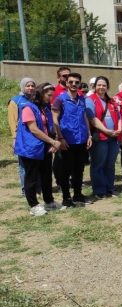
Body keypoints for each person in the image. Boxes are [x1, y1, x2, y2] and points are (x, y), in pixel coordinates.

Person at [15, 83, 65, 215]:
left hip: (45, 147)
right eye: (49, 95)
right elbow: (34, 129)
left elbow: (49, 126)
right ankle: (34, 205)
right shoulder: (28, 107)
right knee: (31, 178)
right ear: (40, 93)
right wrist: (52, 142)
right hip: (31, 148)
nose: (51, 98)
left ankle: (49, 202)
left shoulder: (46, 107)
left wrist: (52, 142)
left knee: (46, 176)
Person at [52, 72, 93, 207]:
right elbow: (55, 120)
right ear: (67, 83)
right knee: (66, 170)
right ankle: (66, 197)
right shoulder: (60, 99)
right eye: (71, 82)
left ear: (80, 84)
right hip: (67, 141)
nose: (74, 84)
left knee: (79, 169)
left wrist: (89, 135)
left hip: (81, 140)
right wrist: (60, 137)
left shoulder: (82, 99)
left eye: (76, 82)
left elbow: (85, 118)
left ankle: (78, 194)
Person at [86, 76, 122, 199]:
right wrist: (106, 131)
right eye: (99, 85)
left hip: (114, 137)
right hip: (100, 137)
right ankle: (99, 190)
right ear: (94, 86)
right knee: (98, 164)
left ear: (108, 87)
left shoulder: (112, 101)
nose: (101, 87)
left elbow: (119, 117)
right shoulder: (90, 100)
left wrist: (120, 129)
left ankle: (109, 187)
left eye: (104, 85)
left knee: (110, 164)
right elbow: (92, 118)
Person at [9, 77, 37, 196]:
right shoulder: (15, 101)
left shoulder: (35, 100)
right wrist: (15, 138)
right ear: (22, 86)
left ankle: (36, 187)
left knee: (35, 163)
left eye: (32, 86)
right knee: (24, 165)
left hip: (35, 137)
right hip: (22, 139)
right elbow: (12, 121)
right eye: (28, 86)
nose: (30, 88)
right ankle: (25, 189)